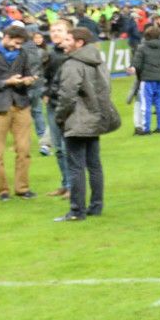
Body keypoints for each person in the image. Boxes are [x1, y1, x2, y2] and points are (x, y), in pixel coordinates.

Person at [50, 25, 114, 221]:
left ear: (80, 43)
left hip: (77, 119)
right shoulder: (98, 61)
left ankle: (77, 211)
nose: (63, 43)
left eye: (68, 40)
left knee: (76, 166)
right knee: (94, 165)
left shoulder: (72, 64)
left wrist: (60, 116)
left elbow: (67, 95)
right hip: (95, 118)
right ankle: (96, 206)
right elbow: (106, 89)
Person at [0, 24, 39, 201]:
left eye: (21, 44)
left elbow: (27, 73)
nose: (18, 47)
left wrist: (28, 80)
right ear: (7, 37)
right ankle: (2, 191)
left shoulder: (22, 54)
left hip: (20, 104)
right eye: (16, 43)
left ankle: (22, 188)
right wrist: (6, 82)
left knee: (24, 150)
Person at [131, 24, 160, 135]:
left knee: (145, 104)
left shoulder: (142, 48)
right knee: (159, 103)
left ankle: (146, 128)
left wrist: (139, 75)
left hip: (147, 80)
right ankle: (159, 126)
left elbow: (137, 64)